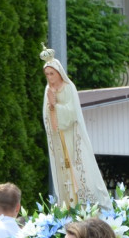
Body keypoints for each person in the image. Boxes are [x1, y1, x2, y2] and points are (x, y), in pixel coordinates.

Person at [41, 46, 112, 210]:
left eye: (52, 73)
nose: (50, 78)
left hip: (72, 135)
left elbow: (72, 114)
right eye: (47, 75)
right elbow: (48, 115)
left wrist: (55, 105)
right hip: (59, 136)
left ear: (59, 73)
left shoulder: (68, 87)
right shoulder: (48, 90)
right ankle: (68, 204)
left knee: (77, 166)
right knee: (63, 171)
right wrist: (51, 107)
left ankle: (85, 202)